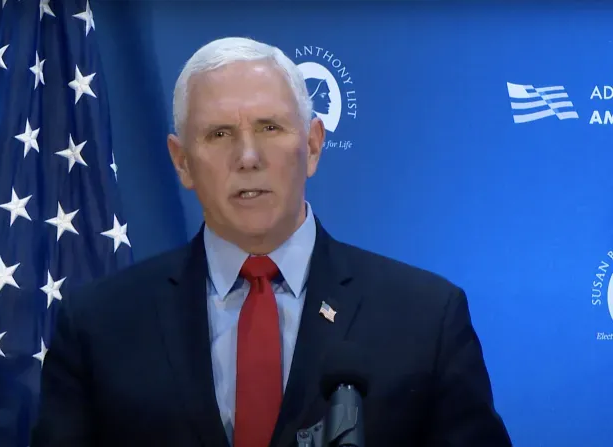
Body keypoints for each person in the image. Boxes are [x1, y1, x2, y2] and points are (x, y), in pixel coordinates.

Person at [31, 37, 513, 447]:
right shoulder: (99, 324)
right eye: (219, 133)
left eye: (269, 127)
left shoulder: (426, 318)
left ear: (313, 145)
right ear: (182, 162)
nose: (248, 156)